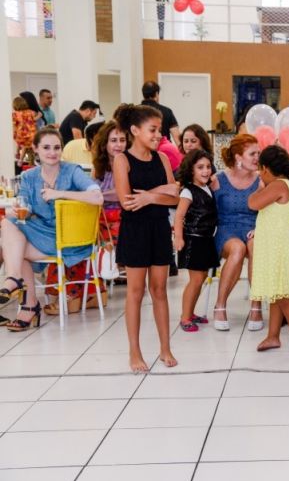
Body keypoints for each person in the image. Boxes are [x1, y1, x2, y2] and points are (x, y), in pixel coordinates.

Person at [0, 128, 104, 331]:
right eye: (46, 147)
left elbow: (97, 197)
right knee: (8, 224)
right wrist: (21, 212)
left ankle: (25, 298)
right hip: (42, 234)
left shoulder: (71, 171)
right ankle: (19, 288)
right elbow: (27, 209)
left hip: (71, 239)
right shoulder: (29, 176)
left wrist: (59, 193)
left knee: (14, 249)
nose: (52, 152)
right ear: (35, 149)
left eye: (57, 147)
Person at [113, 104, 179, 372]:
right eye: (152, 130)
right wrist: (161, 191)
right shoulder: (122, 160)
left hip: (159, 228)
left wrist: (150, 196)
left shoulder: (162, 158)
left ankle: (165, 348)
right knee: (136, 292)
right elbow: (127, 202)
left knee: (160, 290)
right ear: (135, 130)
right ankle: (134, 351)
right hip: (135, 231)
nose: (157, 135)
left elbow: (175, 195)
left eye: (159, 130)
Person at [249, 145, 289, 356]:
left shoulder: (278, 185)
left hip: (281, 246)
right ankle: (273, 336)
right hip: (275, 244)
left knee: (283, 295)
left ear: (265, 168)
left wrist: (259, 186)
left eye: (260, 170)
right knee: (276, 292)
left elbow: (253, 203)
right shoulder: (285, 184)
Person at [211, 135, 263, 332]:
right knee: (238, 249)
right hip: (225, 229)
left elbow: (265, 212)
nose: (257, 157)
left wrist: (258, 229)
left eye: (258, 153)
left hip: (252, 228)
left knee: (255, 246)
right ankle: (220, 305)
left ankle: (256, 306)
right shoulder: (218, 180)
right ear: (238, 156)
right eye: (253, 154)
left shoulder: (259, 181)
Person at [174, 150, 219, 333]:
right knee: (196, 280)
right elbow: (179, 217)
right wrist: (178, 238)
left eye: (208, 167)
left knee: (200, 280)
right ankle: (185, 317)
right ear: (190, 170)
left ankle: (190, 312)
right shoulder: (188, 191)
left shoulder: (207, 187)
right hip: (193, 240)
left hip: (206, 240)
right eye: (200, 167)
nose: (206, 171)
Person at [91, 119, 128, 249]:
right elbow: (90, 193)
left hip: (122, 219)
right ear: (104, 143)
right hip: (99, 218)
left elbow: (122, 194)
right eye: (113, 140)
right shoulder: (97, 166)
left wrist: (98, 195)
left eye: (122, 140)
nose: (118, 145)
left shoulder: (130, 164)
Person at [12, 96, 36, 167]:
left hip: (22, 133)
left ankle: (19, 158)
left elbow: (14, 124)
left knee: (21, 143)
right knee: (26, 146)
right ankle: (25, 159)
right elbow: (33, 120)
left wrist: (15, 131)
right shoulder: (30, 112)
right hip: (31, 133)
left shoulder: (15, 114)